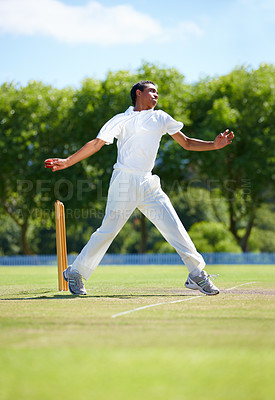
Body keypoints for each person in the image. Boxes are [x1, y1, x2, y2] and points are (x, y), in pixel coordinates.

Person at [45, 80, 234, 296]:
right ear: (138, 93)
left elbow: (187, 143)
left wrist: (213, 145)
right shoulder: (122, 120)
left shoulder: (161, 117)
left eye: (157, 92)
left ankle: (196, 273)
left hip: (148, 182)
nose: (156, 95)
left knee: (174, 226)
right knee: (108, 230)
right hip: (124, 180)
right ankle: (75, 272)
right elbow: (97, 143)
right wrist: (68, 161)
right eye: (151, 91)